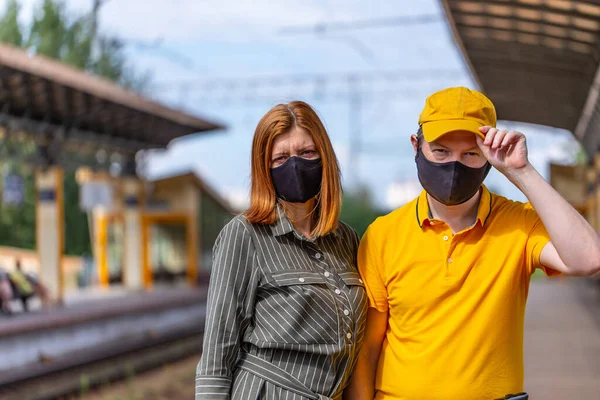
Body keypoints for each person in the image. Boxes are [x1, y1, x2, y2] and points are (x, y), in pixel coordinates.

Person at [344, 87, 600, 400]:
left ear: (490, 158)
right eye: (440, 151)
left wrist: (522, 172)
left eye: (470, 153)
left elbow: (589, 258)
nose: (454, 165)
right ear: (416, 146)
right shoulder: (383, 235)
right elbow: (367, 350)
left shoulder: (519, 223)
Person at [195, 101, 367, 399]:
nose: (295, 165)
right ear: (265, 168)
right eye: (281, 158)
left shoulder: (346, 239)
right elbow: (217, 354)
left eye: (307, 153)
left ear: (324, 157)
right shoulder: (244, 235)